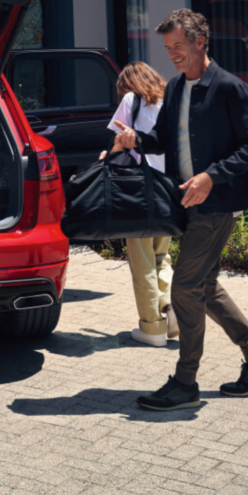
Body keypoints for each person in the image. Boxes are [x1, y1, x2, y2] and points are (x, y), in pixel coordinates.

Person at [114, 8, 248, 411]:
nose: (172, 55)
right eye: (168, 48)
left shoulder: (230, 88)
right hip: (184, 199)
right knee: (203, 286)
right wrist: (137, 140)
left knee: (184, 287)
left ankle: (185, 383)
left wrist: (212, 176)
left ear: (200, 42)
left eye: (179, 47)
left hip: (217, 201)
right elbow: (165, 140)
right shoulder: (174, 89)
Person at [103, 62, 178, 347]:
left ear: (128, 84)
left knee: (142, 259)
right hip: (169, 189)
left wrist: (106, 157)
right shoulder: (170, 100)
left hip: (138, 191)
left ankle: (153, 328)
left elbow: (120, 142)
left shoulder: (131, 100)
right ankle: (172, 308)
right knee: (162, 256)